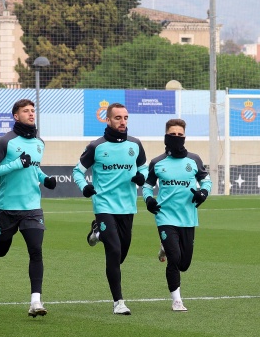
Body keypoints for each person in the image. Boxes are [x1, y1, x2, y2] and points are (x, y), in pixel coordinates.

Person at [0, 99, 57, 317]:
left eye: (32, 110)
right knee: (2, 248)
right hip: (6, 207)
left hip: (32, 208)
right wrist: (16, 164)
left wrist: (45, 179)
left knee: (36, 250)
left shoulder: (39, 142)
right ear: (16, 116)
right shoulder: (5, 141)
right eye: (26, 111)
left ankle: (35, 301)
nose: (31, 114)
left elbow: (34, 169)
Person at [73, 102, 147, 315]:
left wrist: (142, 176)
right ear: (107, 120)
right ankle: (118, 302)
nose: (122, 121)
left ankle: (97, 232)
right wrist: (85, 186)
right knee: (113, 251)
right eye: (118, 118)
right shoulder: (96, 146)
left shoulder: (135, 144)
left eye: (125, 117)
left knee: (120, 255)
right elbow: (77, 171)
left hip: (127, 206)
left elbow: (144, 167)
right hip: (104, 205)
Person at [142, 118, 211, 311]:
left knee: (184, 263)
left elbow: (206, 181)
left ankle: (165, 247)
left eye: (180, 135)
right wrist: (148, 200)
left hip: (188, 217)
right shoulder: (157, 162)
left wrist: (203, 192)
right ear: (166, 136)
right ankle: (177, 300)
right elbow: (147, 186)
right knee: (175, 258)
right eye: (173, 134)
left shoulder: (194, 160)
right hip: (165, 216)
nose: (177, 137)